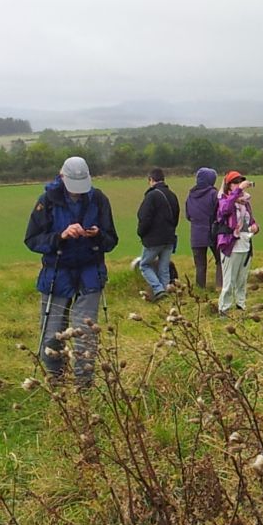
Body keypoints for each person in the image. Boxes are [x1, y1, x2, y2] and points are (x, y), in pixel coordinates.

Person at [24, 156, 117, 387]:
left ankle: (84, 387)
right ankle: (57, 382)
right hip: (57, 274)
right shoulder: (46, 201)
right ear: (62, 176)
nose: (77, 191)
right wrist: (60, 236)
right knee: (52, 335)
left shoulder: (98, 199)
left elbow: (111, 240)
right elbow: (32, 240)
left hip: (90, 273)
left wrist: (97, 235)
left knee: (86, 334)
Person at [216, 170, 260, 314]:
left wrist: (255, 227)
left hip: (245, 244)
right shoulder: (224, 200)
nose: (238, 184)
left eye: (240, 182)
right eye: (235, 182)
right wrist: (238, 190)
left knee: (242, 279)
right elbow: (225, 209)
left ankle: (241, 305)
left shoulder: (245, 203)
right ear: (228, 185)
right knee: (229, 281)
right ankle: (224, 309)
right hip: (230, 245)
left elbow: (250, 220)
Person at [133, 167, 180, 299]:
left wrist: (141, 233)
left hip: (153, 239)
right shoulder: (172, 195)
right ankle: (166, 293)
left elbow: (144, 217)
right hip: (169, 238)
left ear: (151, 180)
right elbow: (176, 217)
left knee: (144, 265)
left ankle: (158, 290)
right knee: (164, 268)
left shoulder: (151, 196)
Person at [183, 166, 223, 290]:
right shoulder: (214, 194)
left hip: (196, 235)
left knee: (200, 265)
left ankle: (200, 290)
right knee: (220, 260)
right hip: (213, 233)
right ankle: (220, 286)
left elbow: (188, 215)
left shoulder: (191, 195)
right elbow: (220, 213)